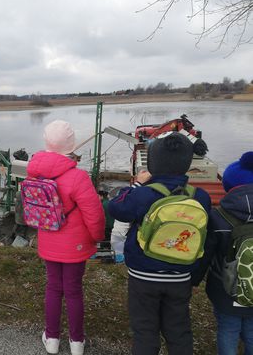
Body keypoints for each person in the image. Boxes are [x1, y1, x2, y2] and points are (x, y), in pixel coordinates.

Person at [108, 133, 211, 355]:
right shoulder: (200, 197)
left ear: (152, 164)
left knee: (145, 331)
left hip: (143, 275)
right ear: (186, 163)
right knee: (179, 331)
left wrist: (136, 185)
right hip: (181, 275)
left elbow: (116, 207)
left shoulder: (145, 194)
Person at [26, 120, 105, 355]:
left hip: (48, 240)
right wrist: (97, 237)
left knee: (53, 287)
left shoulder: (34, 171)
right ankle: (76, 343)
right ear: (71, 144)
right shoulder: (78, 177)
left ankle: (51, 339)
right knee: (73, 290)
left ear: (47, 142)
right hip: (74, 244)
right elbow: (94, 214)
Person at [191, 151, 253, 354]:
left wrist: (193, 280)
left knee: (228, 329)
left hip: (225, 288)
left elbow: (206, 253)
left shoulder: (218, 217)